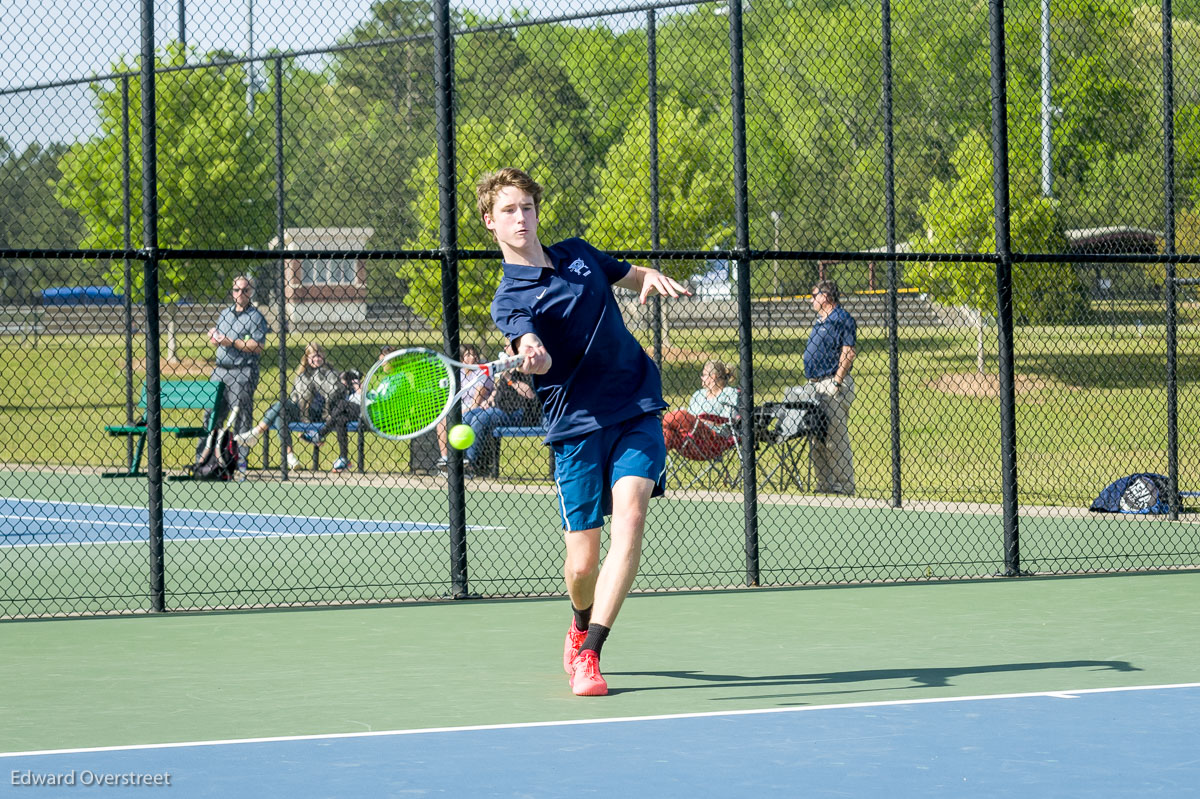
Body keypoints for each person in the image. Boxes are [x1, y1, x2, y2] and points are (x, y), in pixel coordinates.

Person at [479, 167, 691, 697]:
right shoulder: (509, 298)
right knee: (581, 567)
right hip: (575, 427)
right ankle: (578, 621)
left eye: (527, 206)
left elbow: (628, 274)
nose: (521, 217)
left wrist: (651, 279)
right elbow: (524, 342)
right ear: (490, 222)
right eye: (509, 210)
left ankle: (591, 651)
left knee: (634, 513)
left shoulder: (577, 252)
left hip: (635, 402)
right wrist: (531, 351)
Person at [234, 342, 340, 470]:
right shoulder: (302, 375)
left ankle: (255, 433)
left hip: (319, 414)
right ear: (307, 358)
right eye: (313, 356)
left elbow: (333, 395)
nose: (317, 359)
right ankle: (290, 457)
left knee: (281, 405)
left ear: (323, 355)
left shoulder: (330, 373)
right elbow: (296, 398)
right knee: (281, 415)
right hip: (301, 411)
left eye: (319, 356)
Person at [205, 275, 269, 472]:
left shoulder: (256, 317)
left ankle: (239, 462)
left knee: (240, 417)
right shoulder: (224, 314)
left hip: (242, 371)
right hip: (219, 371)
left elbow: (257, 346)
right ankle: (207, 459)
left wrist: (230, 341)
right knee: (211, 415)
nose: (240, 293)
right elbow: (219, 337)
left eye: (244, 290)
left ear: (250, 293)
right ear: (232, 292)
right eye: (236, 290)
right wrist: (215, 337)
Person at [803, 279, 857, 495]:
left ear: (825, 296)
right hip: (815, 385)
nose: (811, 299)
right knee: (817, 438)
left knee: (835, 437)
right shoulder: (820, 321)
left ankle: (843, 485)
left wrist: (837, 381)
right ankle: (824, 484)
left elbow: (848, 351)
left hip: (831, 383)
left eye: (814, 295)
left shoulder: (841, 318)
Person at [460, 346, 540, 474]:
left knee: (480, 419)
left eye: (507, 345)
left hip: (517, 412)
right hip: (498, 408)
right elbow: (498, 389)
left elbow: (530, 394)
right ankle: (460, 458)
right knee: (466, 417)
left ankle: (471, 463)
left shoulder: (527, 366)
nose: (504, 348)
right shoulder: (507, 366)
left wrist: (510, 379)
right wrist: (489, 400)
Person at [661, 359, 739, 460]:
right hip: (691, 441)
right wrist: (695, 421)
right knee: (666, 433)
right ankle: (653, 467)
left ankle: (657, 422)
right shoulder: (698, 395)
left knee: (681, 415)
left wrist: (704, 420)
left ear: (713, 377)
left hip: (714, 438)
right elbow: (689, 421)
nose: (701, 378)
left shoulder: (729, 393)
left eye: (704, 374)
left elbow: (730, 421)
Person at [435, 344, 493, 469]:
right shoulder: (458, 373)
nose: (474, 356)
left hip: (478, 408)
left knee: (465, 418)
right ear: (462, 359)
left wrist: (463, 411)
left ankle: (467, 462)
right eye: (468, 354)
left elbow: (477, 399)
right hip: (461, 406)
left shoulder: (482, 370)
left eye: (474, 353)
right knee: (442, 420)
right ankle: (445, 459)